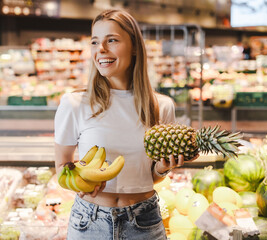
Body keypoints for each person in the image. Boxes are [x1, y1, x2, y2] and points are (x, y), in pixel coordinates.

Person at [54, 9, 197, 240]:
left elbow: (152, 177)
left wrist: (163, 167)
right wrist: (80, 184)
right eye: (95, 41)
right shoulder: (74, 104)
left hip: (144, 221)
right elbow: (62, 165)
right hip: (89, 222)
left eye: (111, 40)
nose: (101, 49)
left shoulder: (162, 106)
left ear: (134, 47)